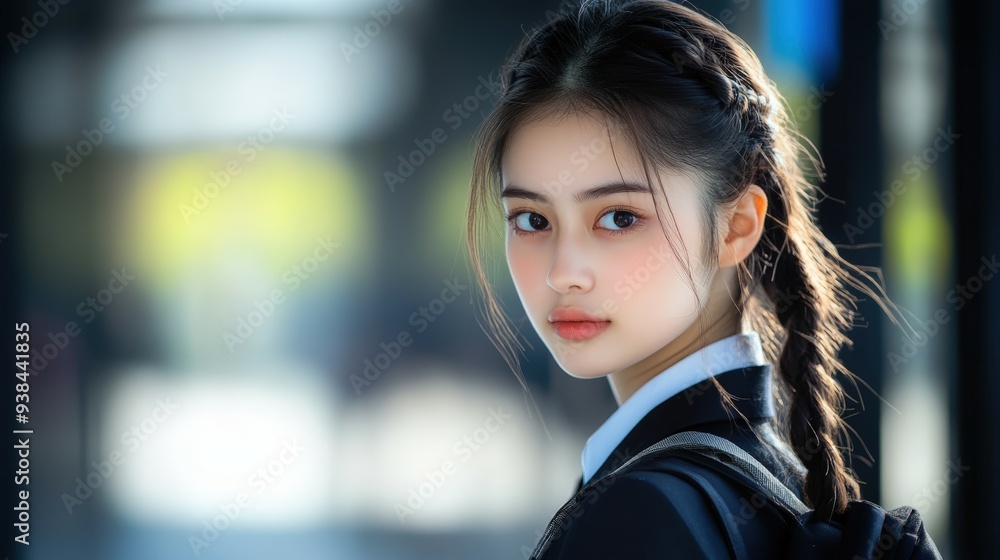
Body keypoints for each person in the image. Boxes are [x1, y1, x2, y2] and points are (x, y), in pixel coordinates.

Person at [465, 1, 936, 558]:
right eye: (532, 220)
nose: (563, 271)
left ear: (737, 226)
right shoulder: (747, 483)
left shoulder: (644, 512)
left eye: (619, 217)